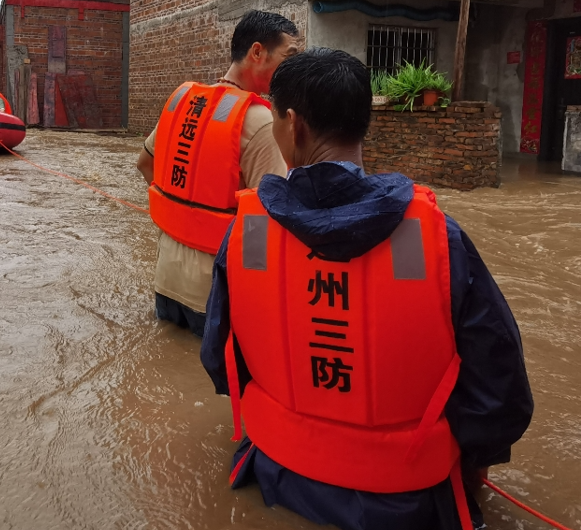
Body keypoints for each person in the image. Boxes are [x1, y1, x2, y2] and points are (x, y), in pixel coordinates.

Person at [200, 48, 533, 530]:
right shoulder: (436, 238)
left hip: (277, 475)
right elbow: (501, 389)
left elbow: (219, 358)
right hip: (409, 502)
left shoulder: (248, 233)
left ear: (292, 126)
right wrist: (472, 459)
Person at [136, 10, 299, 337]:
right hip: (214, 294)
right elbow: (271, 217)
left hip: (165, 282)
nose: (293, 68)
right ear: (257, 53)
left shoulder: (181, 101)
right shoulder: (260, 123)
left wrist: (182, 214)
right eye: (289, 56)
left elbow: (144, 163)